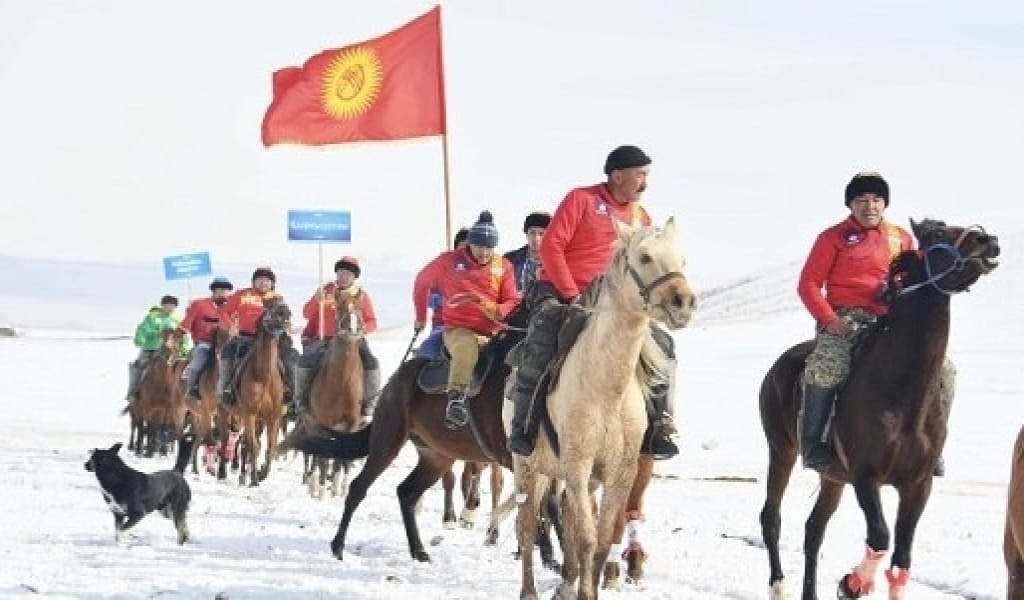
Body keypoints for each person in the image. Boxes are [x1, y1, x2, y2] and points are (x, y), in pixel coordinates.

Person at [507, 145, 679, 459]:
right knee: (544, 335)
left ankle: (660, 425)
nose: (645, 183)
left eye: (647, 175)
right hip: (559, 289)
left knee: (662, 344)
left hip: (610, 300)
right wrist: (571, 293)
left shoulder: (641, 217)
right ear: (617, 175)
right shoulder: (581, 200)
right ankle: (524, 425)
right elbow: (551, 248)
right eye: (640, 175)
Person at [797, 171, 955, 475]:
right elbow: (809, 284)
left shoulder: (901, 238)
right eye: (861, 200)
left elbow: (917, 279)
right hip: (846, 319)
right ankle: (813, 444)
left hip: (891, 320)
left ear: (885, 203)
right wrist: (829, 320)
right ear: (850, 205)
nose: (870, 205)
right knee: (827, 366)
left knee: (945, 370)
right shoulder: (831, 238)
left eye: (876, 199)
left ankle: (932, 447)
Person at [413, 211, 519, 429]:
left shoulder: (504, 266)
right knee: (466, 346)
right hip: (458, 329)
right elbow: (422, 282)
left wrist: (494, 309)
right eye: (479, 246)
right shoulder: (448, 261)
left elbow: (511, 300)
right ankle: (456, 400)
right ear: (470, 244)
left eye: (489, 248)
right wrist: (421, 316)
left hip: (494, 332)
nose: (484, 253)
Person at [294, 256, 381, 422]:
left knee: (372, 363)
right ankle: (302, 403)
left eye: (348, 273)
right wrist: (315, 301)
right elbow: (306, 313)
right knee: (304, 362)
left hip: (354, 341)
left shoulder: (361, 296)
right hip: (325, 340)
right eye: (341, 271)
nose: (343, 275)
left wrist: (363, 330)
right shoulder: (325, 291)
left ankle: (369, 403)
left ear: (354, 276)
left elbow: (372, 321)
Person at [216, 266, 297, 409]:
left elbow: (285, 317)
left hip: (272, 340)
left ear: (272, 283)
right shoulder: (242, 294)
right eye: (259, 279)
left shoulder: (277, 298)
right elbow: (224, 313)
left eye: (267, 280)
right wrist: (230, 327)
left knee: (291, 357)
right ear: (253, 281)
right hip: (245, 338)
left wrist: (287, 325)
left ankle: (291, 391)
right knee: (228, 353)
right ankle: (227, 389)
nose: (263, 283)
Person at [126, 295, 192, 403]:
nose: (170, 308)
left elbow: (185, 335)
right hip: (151, 349)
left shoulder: (178, 320)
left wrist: (185, 349)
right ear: (162, 306)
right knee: (139, 366)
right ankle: (133, 393)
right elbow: (142, 329)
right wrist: (141, 339)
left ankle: (186, 397)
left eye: (172, 306)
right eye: (167, 305)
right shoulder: (153, 318)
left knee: (185, 369)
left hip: (173, 351)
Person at [417, 227, 470, 360]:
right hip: (444, 325)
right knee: (430, 348)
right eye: (462, 247)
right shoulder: (442, 269)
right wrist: (441, 299)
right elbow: (427, 295)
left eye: (470, 248)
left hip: (474, 326)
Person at [179, 276, 234, 403]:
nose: (224, 293)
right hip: (205, 342)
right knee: (199, 357)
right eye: (220, 290)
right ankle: (193, 387)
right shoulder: (199, 305)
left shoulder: (232, 307)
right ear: (214, 291)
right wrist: (178, 334)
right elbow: (187, 323)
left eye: (226, 291)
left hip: (228, 343)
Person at [504, 211, 551, 292]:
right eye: (532, 232)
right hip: (516, 302)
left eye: (541, 233)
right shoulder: (510, 259)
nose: (536, 238)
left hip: (547, 303)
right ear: (526, 233)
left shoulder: (557, 262)